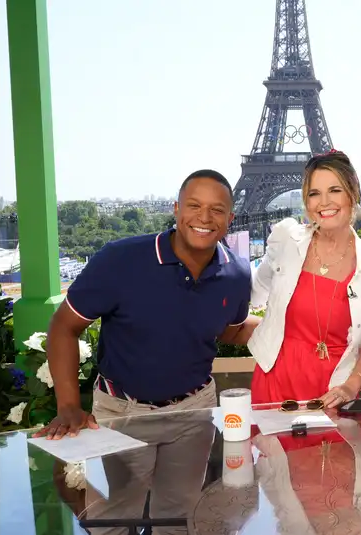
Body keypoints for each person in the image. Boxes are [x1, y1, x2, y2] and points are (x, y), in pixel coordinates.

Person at [35, 169, 258, 440]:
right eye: (194, 206)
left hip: (195, 409)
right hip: (121, 411)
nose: (205, 217)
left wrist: (289, 325)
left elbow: (228, 330)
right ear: (176, 209)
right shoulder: (119, 260)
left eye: (217, 209)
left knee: (186, 486)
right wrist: (68, 405)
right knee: (124, 486)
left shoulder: (237, 273)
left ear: (230, 219)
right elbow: (63, 326)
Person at [247, 149, 361, 409]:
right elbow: (253, 294)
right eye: (314, 194)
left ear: (353, 194)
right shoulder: (286, 240)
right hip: (274, 380)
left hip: (334, 390)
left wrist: (352, 384)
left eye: (335, 190)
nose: (324, 202)